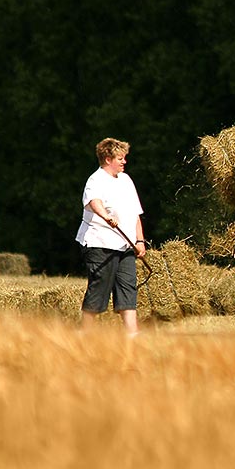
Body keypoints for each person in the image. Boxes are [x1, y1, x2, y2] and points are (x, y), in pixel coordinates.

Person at [75, 137, 146, 336]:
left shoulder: (126, 180)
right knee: (100, 284)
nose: (124, 162)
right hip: (100, 243)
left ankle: (132, 334)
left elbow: (135, 213)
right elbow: (94, 202)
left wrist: (139, 241)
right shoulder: (95, 180)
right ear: (108, 159)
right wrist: (106, 217)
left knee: (128, 285)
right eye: (120, 158)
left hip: (125, 245)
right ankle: (86, 332)